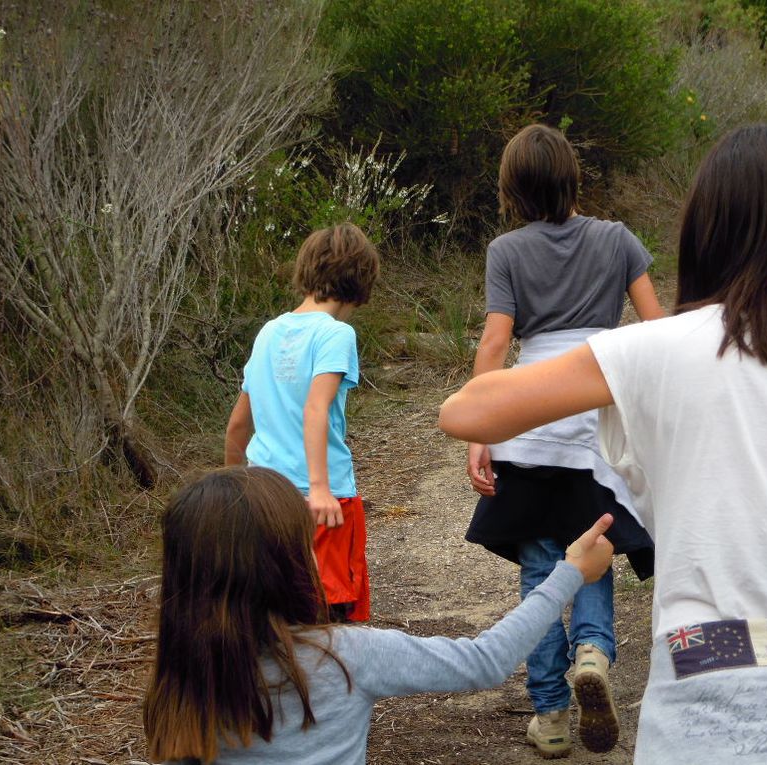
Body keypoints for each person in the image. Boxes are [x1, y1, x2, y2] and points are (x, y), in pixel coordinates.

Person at [439, 124, 767, 763]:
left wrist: (608, 363)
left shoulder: (649, 353)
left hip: (701, 670)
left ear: (702, 234)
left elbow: (465, 413)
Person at [142, 467, 616, 764]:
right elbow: (485, 661)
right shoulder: (346, 655)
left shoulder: (182, 675)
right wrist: (569, 573)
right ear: (285, 563)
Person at [464, 123, 664, 757]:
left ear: (513, 190)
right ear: (574, 177)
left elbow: (496, 345)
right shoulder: (617, 240)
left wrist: (480, 425)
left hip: (527, 421)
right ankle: (595, 657)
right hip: (595, 421)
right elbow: (658, 329)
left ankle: (550, 717)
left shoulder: (506, 252)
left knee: (539, 571)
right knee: (593, 550)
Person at [224, 223, 379, 622]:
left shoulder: (268, 331)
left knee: (276, 614)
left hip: (264, 495)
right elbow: (316, 408)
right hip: (320, 501)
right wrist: (320, 489)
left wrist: (232, 486)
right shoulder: (336, 334)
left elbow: (239, 423)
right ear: (362, 280)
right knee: (329, 617)